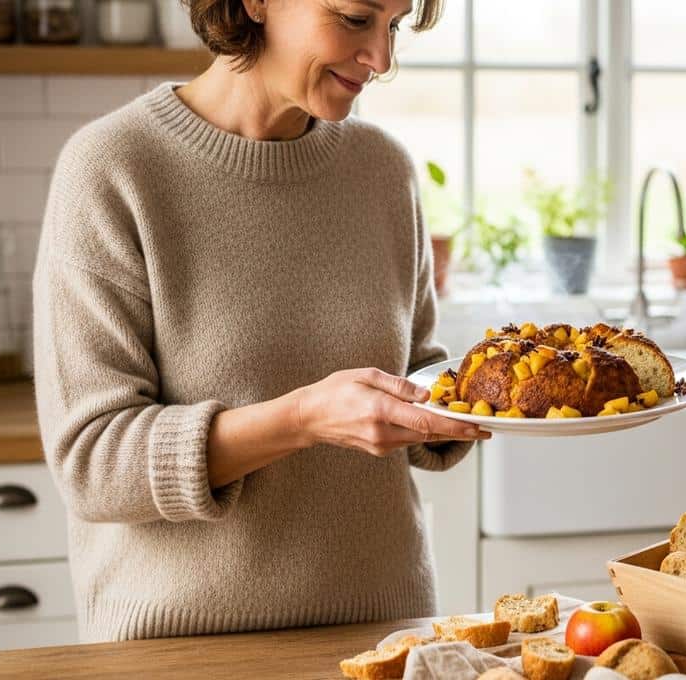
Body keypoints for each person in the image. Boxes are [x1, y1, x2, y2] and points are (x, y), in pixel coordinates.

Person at [32, 0, 488, 642]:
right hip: (183, 648)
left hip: (385, 635)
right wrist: (301, 420)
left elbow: (412, 372)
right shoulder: (114, 169)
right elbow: (92, 464)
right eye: (356, 19)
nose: (382, 60)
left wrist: (481, 395)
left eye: (395, 25)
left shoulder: (381, 170)